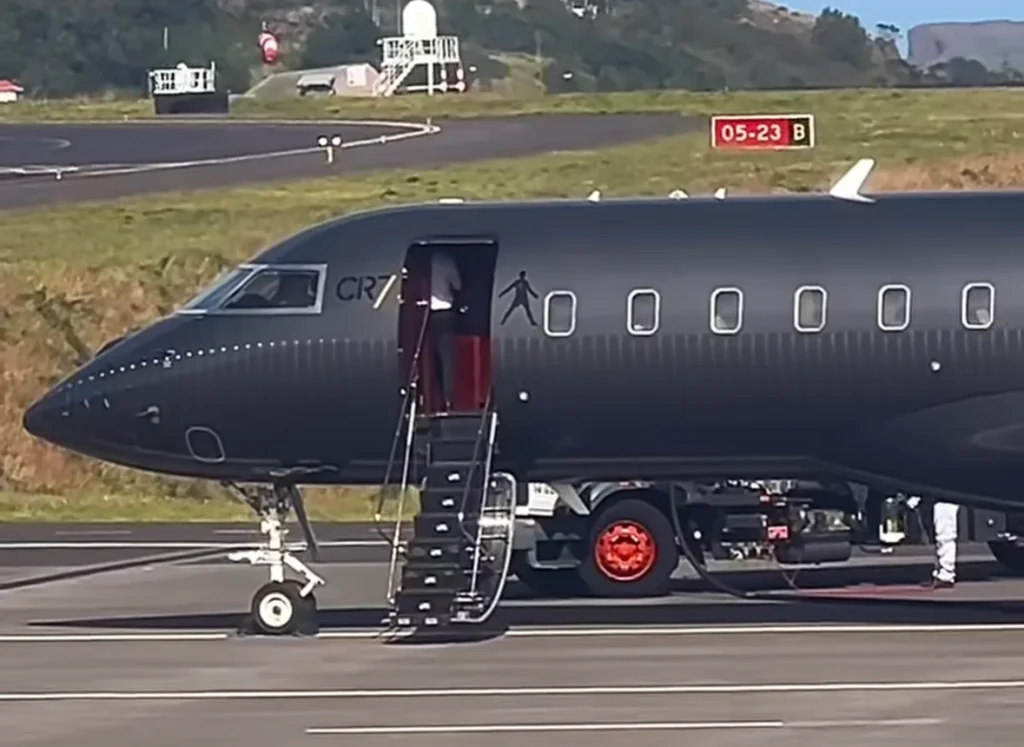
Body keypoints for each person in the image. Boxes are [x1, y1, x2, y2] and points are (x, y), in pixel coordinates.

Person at [429, 249, 461, 410]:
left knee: (429, 359)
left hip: (426, 313)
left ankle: (431, 398)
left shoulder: (423, 261)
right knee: (446, 357)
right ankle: (448, 400)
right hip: (445, 312)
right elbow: (457, 285)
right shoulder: (446, 261)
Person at [928, 499, 960, 588]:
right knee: (943, 535)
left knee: (945, 535)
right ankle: (943, 571)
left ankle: (946, 573)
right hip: (942, 497)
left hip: (946, 498)